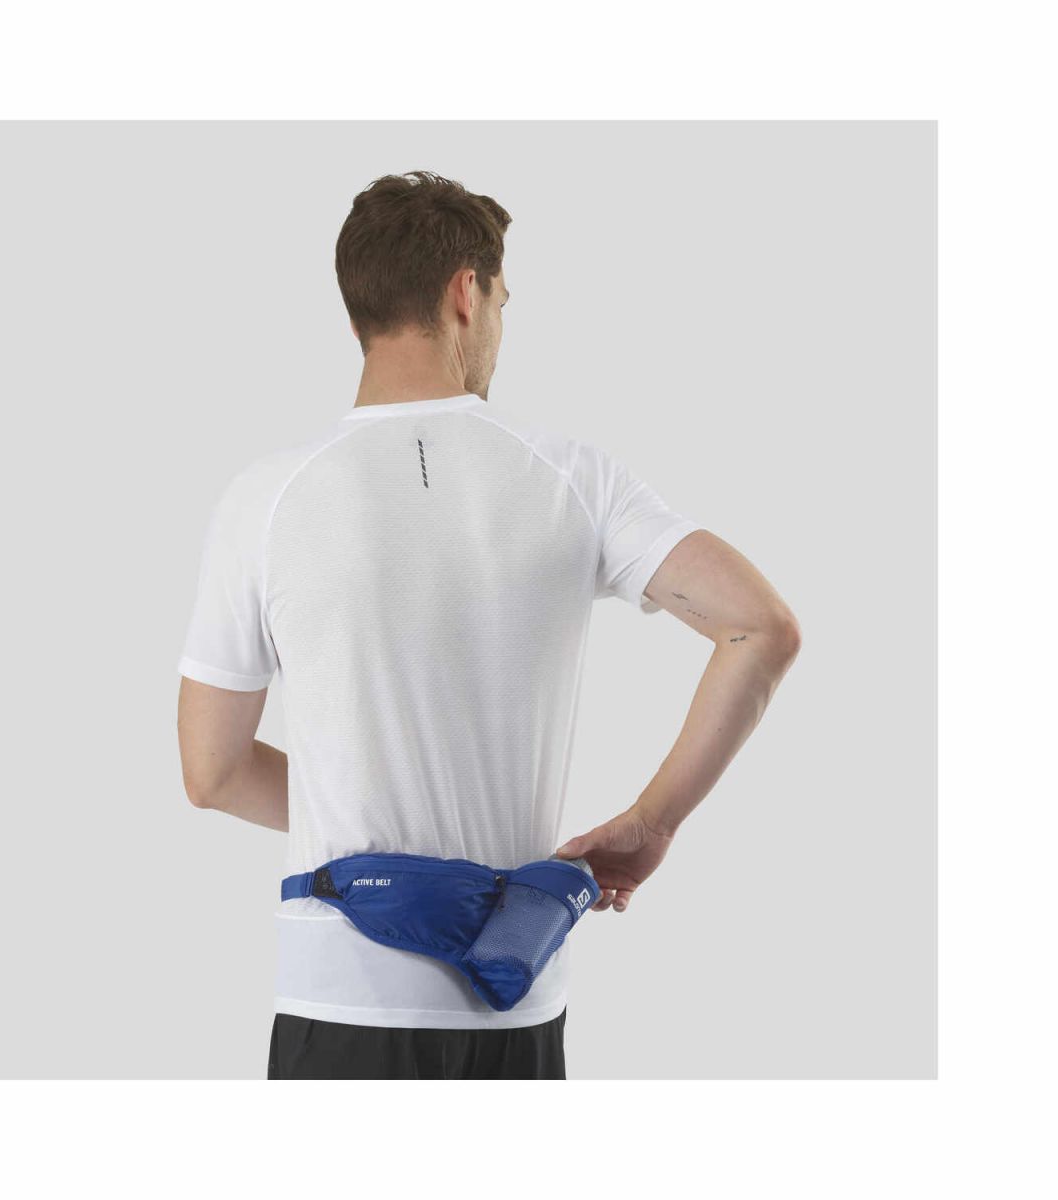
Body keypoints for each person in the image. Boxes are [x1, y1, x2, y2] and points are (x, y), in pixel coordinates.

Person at [176, 170, 802, 1080]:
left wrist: (367, 821)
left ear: (360, 311)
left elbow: (213, 772)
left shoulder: (263, 499)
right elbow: (760, 629)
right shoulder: (573, 478)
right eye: (504, 301)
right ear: (465, 293)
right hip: (514, 989)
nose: (500, 325)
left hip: (338, 999)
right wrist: (651, 824)